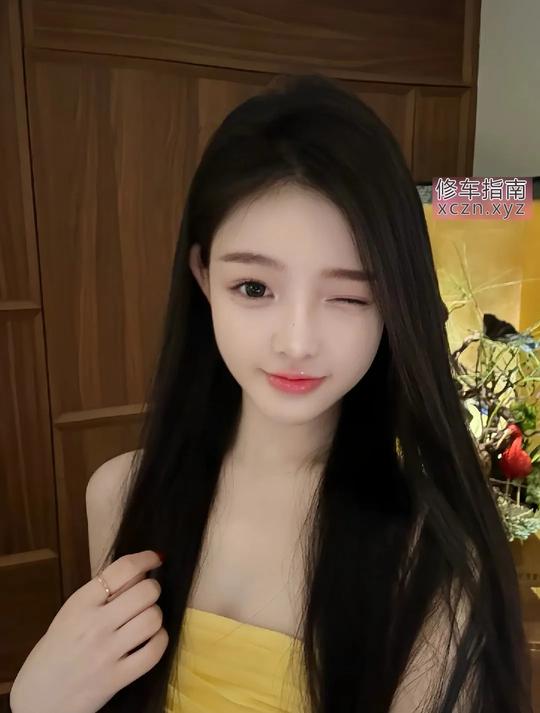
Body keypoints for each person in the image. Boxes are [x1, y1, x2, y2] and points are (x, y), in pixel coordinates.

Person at [10, 72, 533, 713]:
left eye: (349, 296)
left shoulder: (432, 560)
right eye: (255, 288)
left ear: (394, 303)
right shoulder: (121, 495)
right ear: (204, 274)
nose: (296, 341)